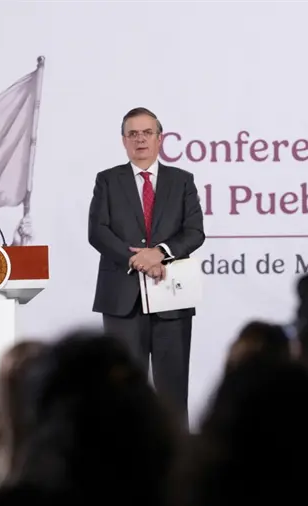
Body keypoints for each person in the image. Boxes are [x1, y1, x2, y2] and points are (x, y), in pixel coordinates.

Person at [88, 107, 205, 423]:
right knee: (122, 391)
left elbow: (195, 232)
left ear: (159, 138)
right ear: (124, 141)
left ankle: (177, 463)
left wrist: (161, 252)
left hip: (172, 298)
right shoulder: (108, 180)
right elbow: (97, 232)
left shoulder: (182, 181)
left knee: (173, 388)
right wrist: (136, 259)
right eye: (133, 134)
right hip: (121, 300)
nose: (140, 139)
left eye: (147, 133)